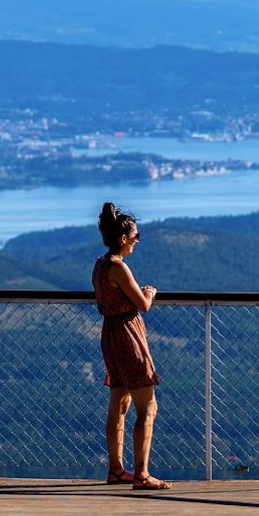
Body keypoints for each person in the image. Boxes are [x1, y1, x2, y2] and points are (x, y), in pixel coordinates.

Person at [93, 202, 171, 490]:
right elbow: (142, 304)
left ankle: (116, 469)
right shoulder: (119, 268)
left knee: (119, 403)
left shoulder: (100, 265)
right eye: (135, 236)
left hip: (111, 335)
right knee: (147, 407)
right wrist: (150, 293)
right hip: (128, 334)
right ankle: (142, 474)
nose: (137, 241)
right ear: (123, 239)